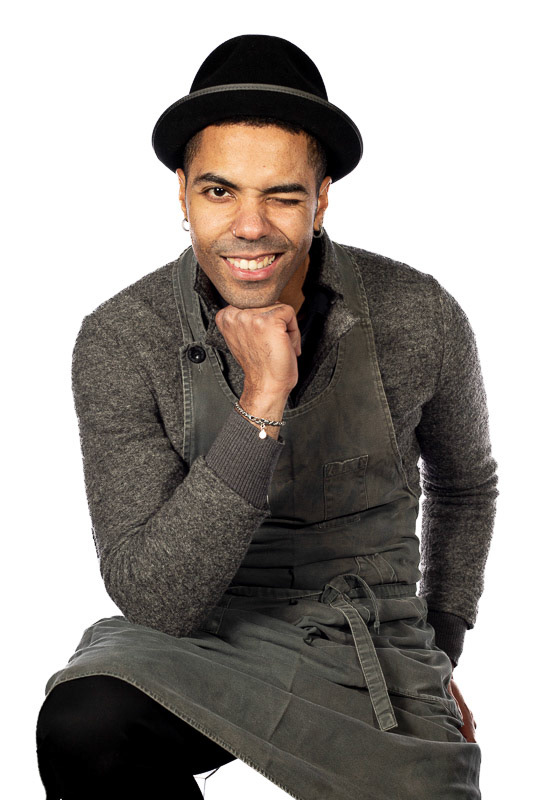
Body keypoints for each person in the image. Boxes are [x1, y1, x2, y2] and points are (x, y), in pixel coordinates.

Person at [36, 34, 498, 800]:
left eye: (281, 195)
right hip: (201, 636)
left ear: (321, 198)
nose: (248, 226)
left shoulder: (418, 313)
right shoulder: (123, 336)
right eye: (219, 192)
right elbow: (157, 598)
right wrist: (260, 404)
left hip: (372, 641)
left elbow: (465, 485)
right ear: (181, 193)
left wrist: (439, 644)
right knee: (86, 722)